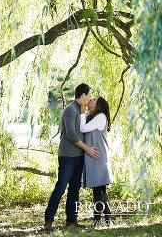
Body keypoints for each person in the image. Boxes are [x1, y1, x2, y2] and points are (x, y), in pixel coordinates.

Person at [43, 83, 100, 230]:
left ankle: (71, 220)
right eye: (89, 96)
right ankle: (48, 220)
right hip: (67, 156)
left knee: (75, 189)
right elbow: (71, 135)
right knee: (61, 187)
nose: (90, 99)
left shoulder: (81, 111)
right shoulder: (70, 110)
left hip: (79, 156)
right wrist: (87, 149)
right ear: (82, 96)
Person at [80, 96, 112, 226]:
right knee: (100, 189)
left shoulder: (100, 117)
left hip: (97, 156)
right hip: (93, 156)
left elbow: (83, 128)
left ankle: (97, 220)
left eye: (94, 100)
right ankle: (106, 219)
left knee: (99, 188)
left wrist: (82, 113)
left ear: (98, 105)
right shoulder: (92, 116)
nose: (91, 100)